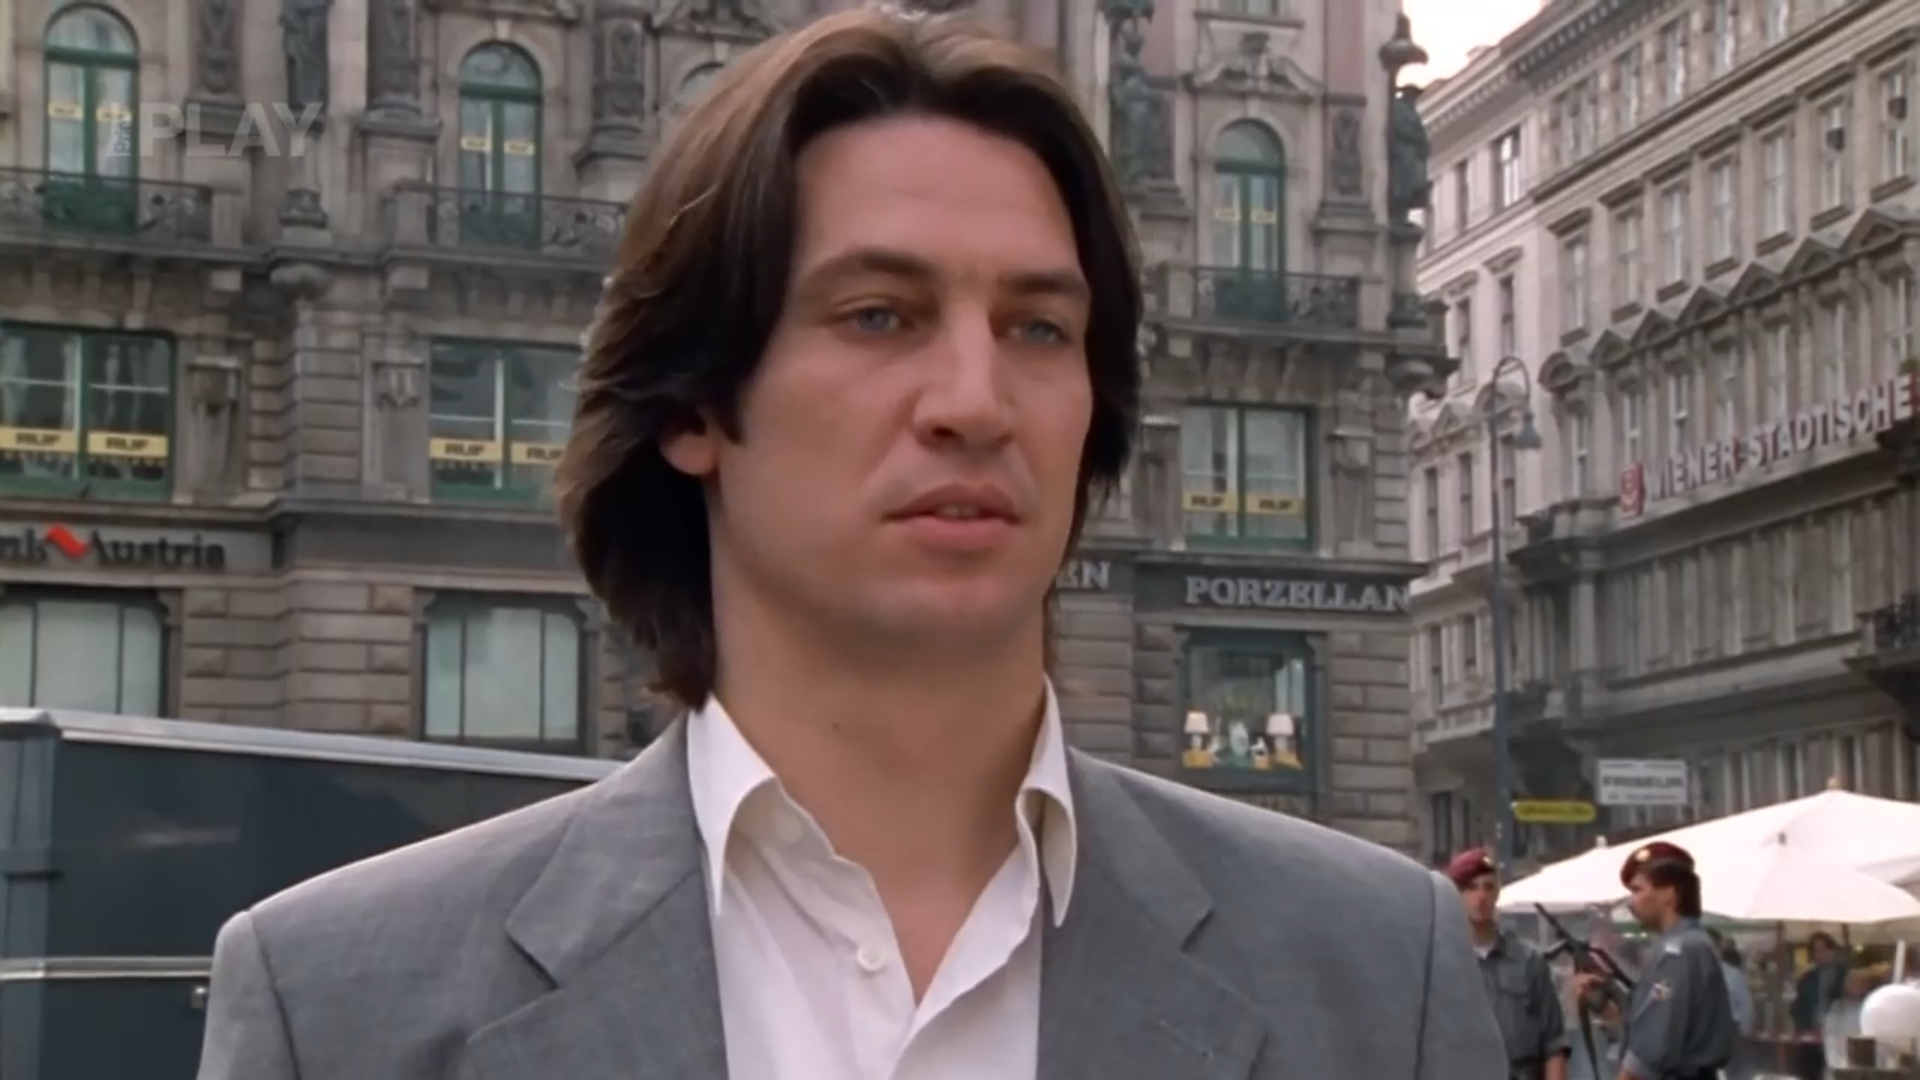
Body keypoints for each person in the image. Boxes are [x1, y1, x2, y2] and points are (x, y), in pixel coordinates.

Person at [194, 8, 1510, 1080]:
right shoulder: (340, 1006)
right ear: (695, 404)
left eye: (1038, 329)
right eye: (879, 315)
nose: (975, 402)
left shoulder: (1374, 969)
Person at [1578, 842, 1736, 1080]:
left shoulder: (1678, 952)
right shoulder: (1688, 945)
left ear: (1669, 894)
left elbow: (1648, 1057)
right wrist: (1608, 1010)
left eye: (1638, 890)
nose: (1630, 902)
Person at [1446, 848, 1571, 1080]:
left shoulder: (1528, 960)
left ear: (1497, 893)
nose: (1481, 896)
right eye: (1471, 888)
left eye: (1488, 887)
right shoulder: (1444, 963)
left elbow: (1554, 1043)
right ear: (1456, 896)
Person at [1706, 929, 1756, 1080]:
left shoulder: (1734, 975)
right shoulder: (1690, 974)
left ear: (1719, 948)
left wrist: (1742, 1034)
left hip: (1728, 1034)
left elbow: (1746, 1006)